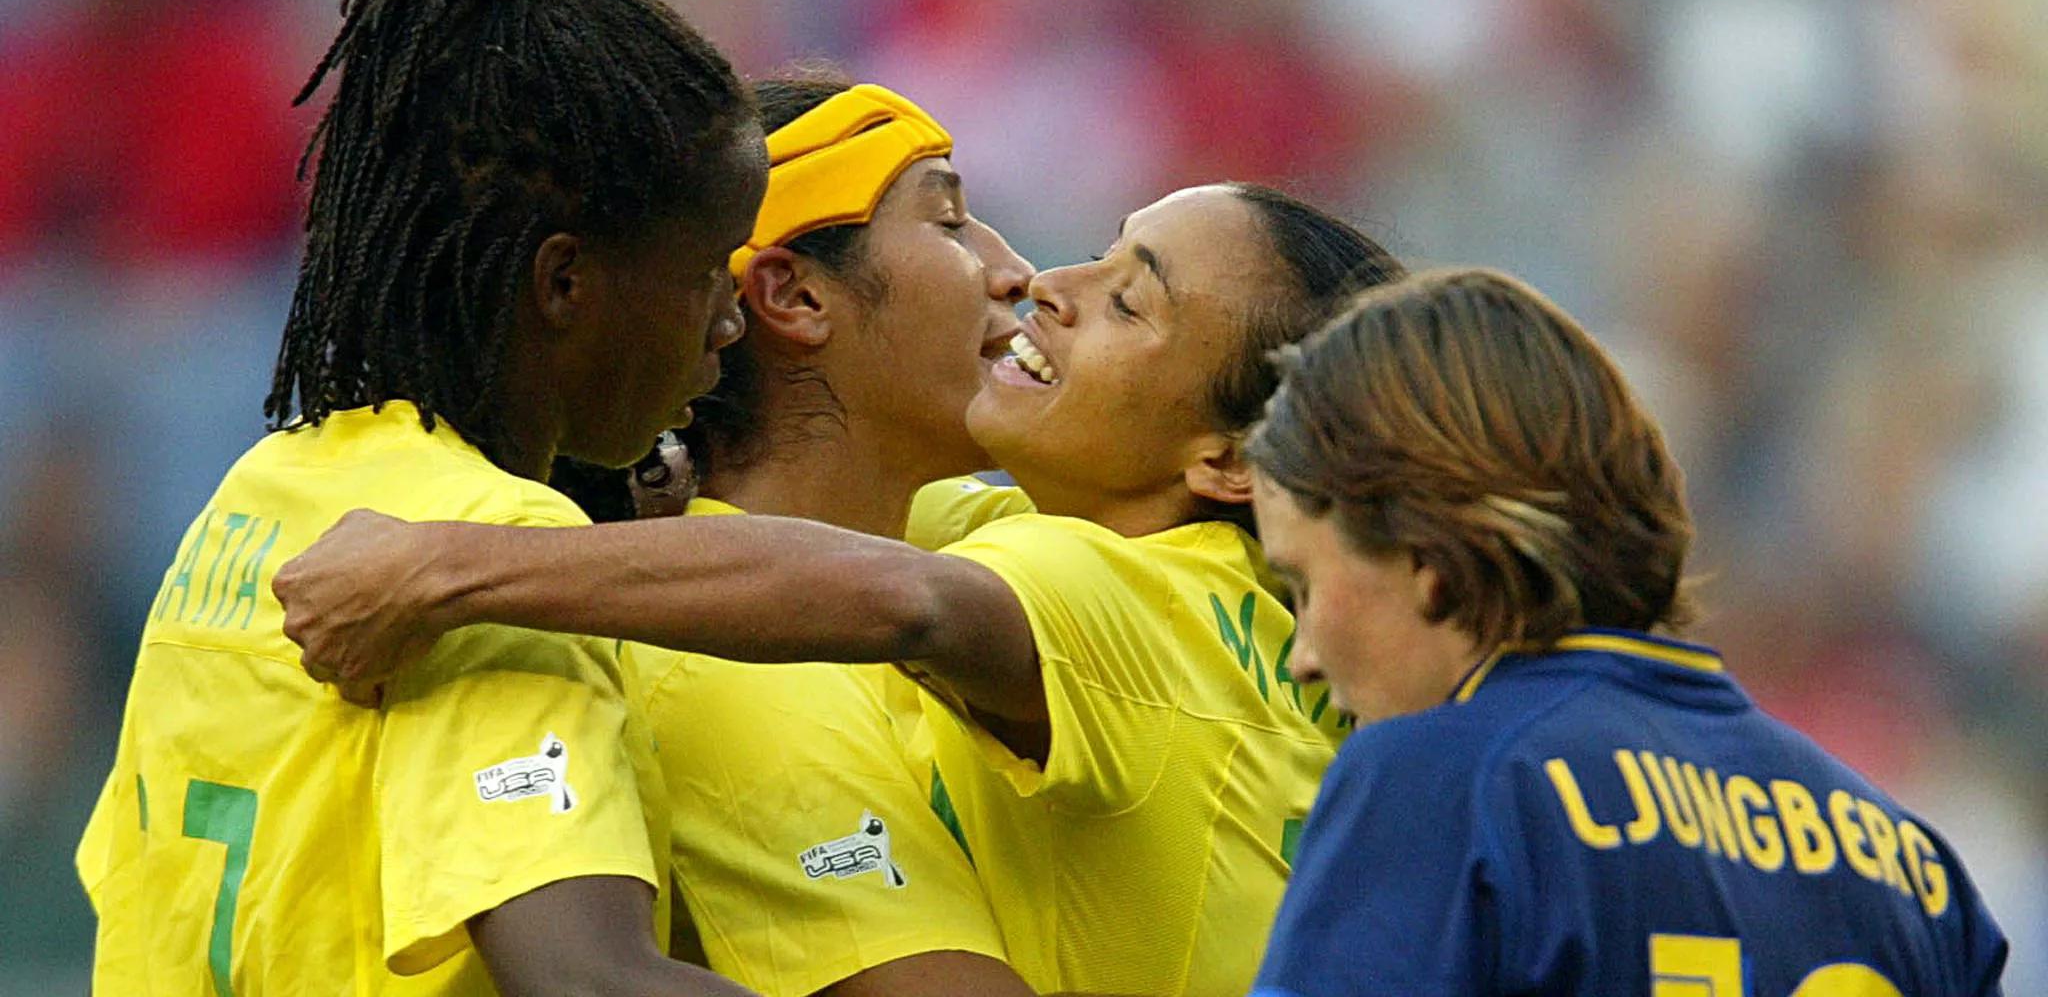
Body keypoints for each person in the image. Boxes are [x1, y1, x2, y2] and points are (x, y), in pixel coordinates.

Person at [275, 181, 1405, 997]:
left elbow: (894, 595)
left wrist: (446, 564)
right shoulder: (1179, 566)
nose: (1039, 283)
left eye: (1126, 304)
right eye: (1097, 255)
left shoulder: (1115, 582)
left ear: (1223, 464)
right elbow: (850, 532)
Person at [74, 0, 767, 995]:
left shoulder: (253, 498)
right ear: (562, 284)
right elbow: (583, 979)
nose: (728, 324)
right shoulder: (494, 561)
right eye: (706, 271)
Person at [1241, 268, 2010, 996]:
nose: (1303, 655)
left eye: (1304, 584)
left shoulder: (1439, 784)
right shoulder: (1914, 868)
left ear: (1429, 557)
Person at [553, 68, 1044, 997]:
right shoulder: (729, 671)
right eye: (948, 223)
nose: (1017, 272)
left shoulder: (949, 530)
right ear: (794, 298)